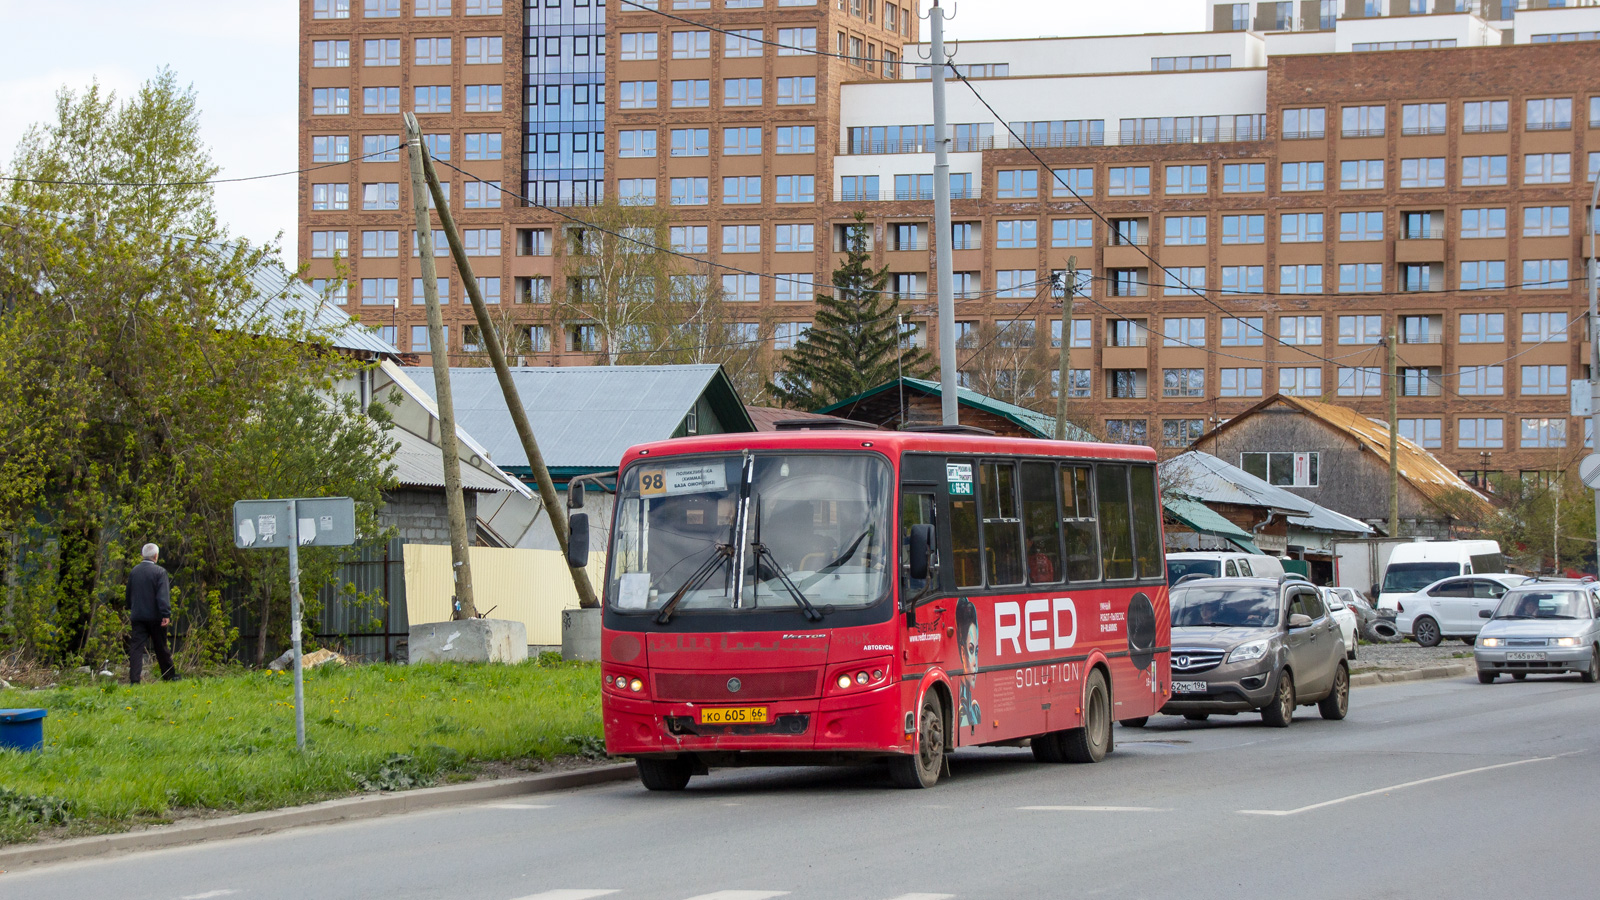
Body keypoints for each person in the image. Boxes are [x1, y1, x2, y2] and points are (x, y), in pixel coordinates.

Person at [126, 542, 178, 683]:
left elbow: (129, 593)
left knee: (136, 648)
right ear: (156, 556)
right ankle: (169, 675)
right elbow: (162, 595)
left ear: (142, 555)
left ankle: (134, 680)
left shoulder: (134, 571)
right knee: (161, 646)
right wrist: (165, 613)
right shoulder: (160, 572)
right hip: (155, 616)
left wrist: (131, 608)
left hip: (138, 615)